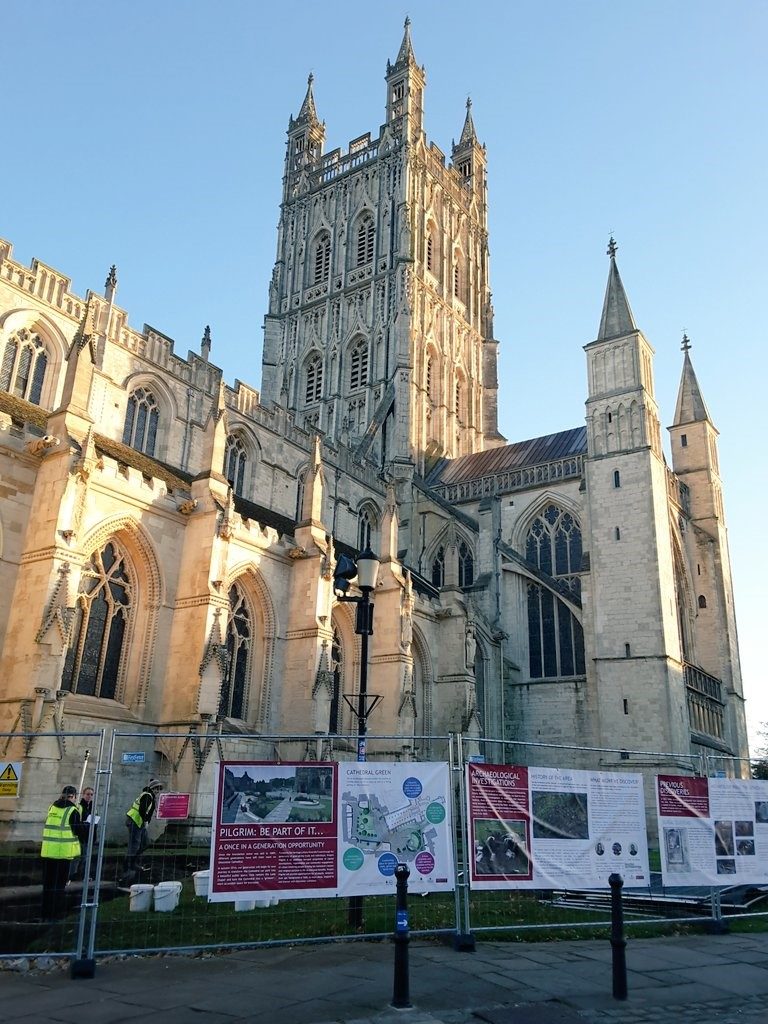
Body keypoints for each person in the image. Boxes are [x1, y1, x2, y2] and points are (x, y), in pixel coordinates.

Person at [40, 785, 85, 920]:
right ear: (73, 796)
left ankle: (45, 913)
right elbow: (79, 831)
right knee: (59, 886)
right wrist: (88, 827)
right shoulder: (72, 811)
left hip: (48, 853)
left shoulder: (52, 808)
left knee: (47, 885)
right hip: (63, 855)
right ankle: (55, 914)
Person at [122, 779, 162, 883]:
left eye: (159, 789)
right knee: (134, 845)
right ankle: (128, 867)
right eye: (156, 788)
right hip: (135, 821)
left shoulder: (150, 796)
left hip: (139, 822)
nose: (157, 791)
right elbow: (142, 810)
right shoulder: (147, 795)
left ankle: (133, 862)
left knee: (145, 843)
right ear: (152, 788)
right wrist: (145, 821)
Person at [73, 786, 96, 881]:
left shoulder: (93, 807)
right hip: (81, 836)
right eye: (87, 794)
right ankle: (76, 876)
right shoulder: (79, 806)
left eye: (91, 794)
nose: (89, 796)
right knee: (79, 858)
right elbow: (77, 822)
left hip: (90, 835)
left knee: (86, 858)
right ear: (83, 795)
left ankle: (83, 876)